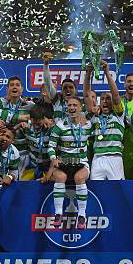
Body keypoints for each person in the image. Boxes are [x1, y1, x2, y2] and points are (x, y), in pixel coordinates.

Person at [45, 97, 93, 228]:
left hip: (81, 163)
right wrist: (53, 158)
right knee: (60, 177)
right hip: (64, 164)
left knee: (79, 177)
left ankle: (82, 215)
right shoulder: (59, 125)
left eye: (75, 105)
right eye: (69, 105)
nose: (72, 108)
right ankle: (58, 214)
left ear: (81, 107)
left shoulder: (88, 125)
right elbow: (50, 146)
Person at [83, 61, 125, 180]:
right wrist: (88, 73)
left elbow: (116, 95)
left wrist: (107, 72)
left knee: (117, 189)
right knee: (97, 190)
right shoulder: (94, 116)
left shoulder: (118, 114)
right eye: (102, 99)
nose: (105, 101)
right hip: (98, 158)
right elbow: (86, 95)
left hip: (115, 158)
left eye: (108, 99)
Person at [17, 105, 53, 181]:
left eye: (39, 124)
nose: (36, 127)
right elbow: (9, 127)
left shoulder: (51, 129)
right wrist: (19, 125)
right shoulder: (26, 127)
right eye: (34, 123)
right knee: (22, 184)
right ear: (30, 119)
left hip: (48, 166)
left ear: (44, 119)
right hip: (33, 165)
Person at [121, 73, 133, 179]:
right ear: (124, 84)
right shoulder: (118, 102)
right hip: (122, 147)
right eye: (128, 81)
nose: (131, 84)